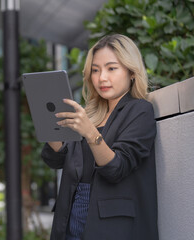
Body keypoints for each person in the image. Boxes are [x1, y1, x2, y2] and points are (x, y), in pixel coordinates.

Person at [41, 34, 158, 240]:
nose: (101, 77)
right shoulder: (88, 116)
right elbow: (57, 159)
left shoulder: (140, 111)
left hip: (112, 225)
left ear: (131, 72)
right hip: (70, 217)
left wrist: (90, 133)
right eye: (95, 70)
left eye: (111, 68)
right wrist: (49, 128)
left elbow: (116, 168)